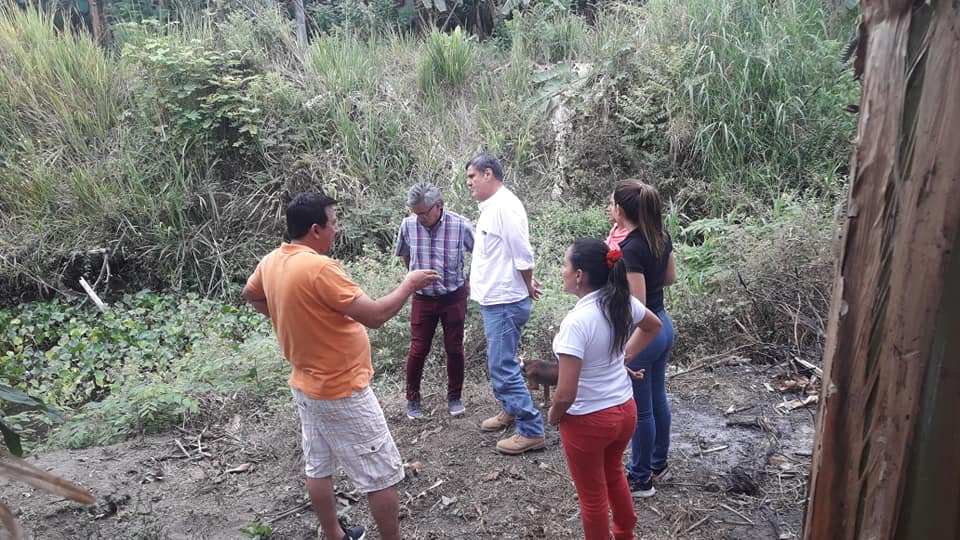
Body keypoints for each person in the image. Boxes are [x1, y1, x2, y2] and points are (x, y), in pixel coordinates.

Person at [242, 193, 440, 540]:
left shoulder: (273, 261)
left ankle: (334, 534)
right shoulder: (320, 268)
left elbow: (252, 295)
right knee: (382, 473)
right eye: (333, 223)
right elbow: (375, 315)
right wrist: (409, 283)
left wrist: (295, 314)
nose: (337, 229)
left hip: (306, 384)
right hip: (342, 388)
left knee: (318, 464)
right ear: (315, 229)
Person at [548, 238, 663, 540]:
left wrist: (554, 414)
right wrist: (623, 356)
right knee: (613, 473)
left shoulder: (576, 323)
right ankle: (625, 532)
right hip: (625, 411)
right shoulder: (621, 302)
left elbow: (565, 394)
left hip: (589, 420)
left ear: (579, 275)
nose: (561, 271)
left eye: (564, 264)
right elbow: (653, 326)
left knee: (592, 497)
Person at [465, 152, 546, 455]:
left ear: (488, 174)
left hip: (504, 301)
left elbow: (522, 253)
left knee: (502, 365)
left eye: (472, 176)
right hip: (496, 300)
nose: (469, 182)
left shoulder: (505, 207)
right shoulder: (492, 207)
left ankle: (531, 430)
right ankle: (511, 409)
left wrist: (527, 282)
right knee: (502, 360)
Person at [611, 180, 677, 498]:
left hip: (645, 331)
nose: (609, 208)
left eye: (611, 203)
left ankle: (641, 478)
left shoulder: (632, 248)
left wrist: (626, 350)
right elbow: (669, 277)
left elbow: (637, 307)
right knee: (657, 398)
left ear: (620, 210)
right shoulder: (660, 236)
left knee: (641, 410)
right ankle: (658, 463)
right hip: (664, 324)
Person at [395, 181, 475, 419]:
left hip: (454, 295)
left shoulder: (460, 225)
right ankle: (413, 399)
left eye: (423, 213)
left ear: (438, 205)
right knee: (418, 349)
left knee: (454, 348)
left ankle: (455, 398)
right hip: (423, 298)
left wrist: (470, 280)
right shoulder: (408, 225)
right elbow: (406, 256)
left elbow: (482, 254)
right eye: (416, 213)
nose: (419, 218)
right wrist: (415, 279)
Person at [604, 180, 641, 249]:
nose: (608, 209)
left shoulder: (629, 243)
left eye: (612, 204)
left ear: (619, 209)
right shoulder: (615, 228)